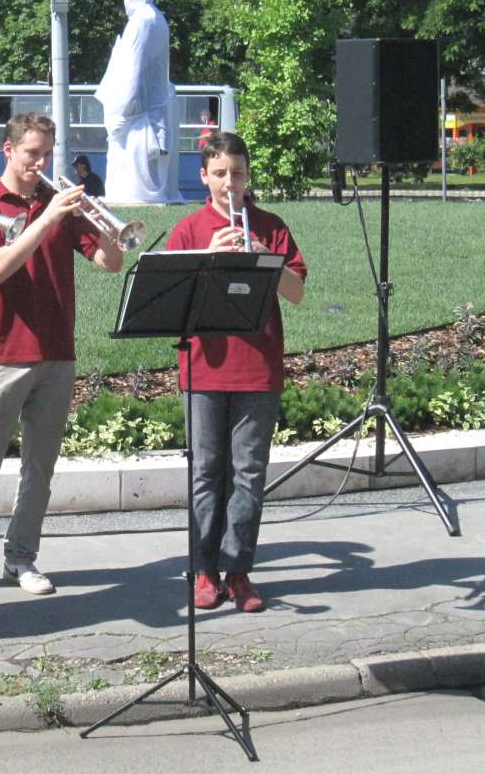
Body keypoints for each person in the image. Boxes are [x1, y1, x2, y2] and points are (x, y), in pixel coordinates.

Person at [0, 114, 124, 603]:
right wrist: (48, 218)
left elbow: (112, 263)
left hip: (57, 351)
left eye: (47, 154)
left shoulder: (58, 205)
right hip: (4, 352)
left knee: (41, 467)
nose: (41, 163)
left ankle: (21, 557)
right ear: (8, 150)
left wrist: (104, 222)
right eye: (32, 153)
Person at [167, 132, 306, 613]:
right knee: (206, 473)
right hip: (204, 368)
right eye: (221, 174)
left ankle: (239, 570)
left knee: (249, 474)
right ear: (204, 177)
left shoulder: (271, 226)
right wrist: (212, 256)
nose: (231, 183)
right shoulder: (187, 230)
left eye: (239, 173)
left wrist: (259, 255)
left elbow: (296, 293)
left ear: (249, 177)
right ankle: (204, 570)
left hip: (258, 367)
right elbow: (173, 305)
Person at [94, 0, 182, 203]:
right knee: (150, 161)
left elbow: (132, 65)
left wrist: (123, 104)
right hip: (155, 98)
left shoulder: (140, 21)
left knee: (131, 158)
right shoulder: (158, 19)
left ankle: (133, 195)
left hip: (137, 102)